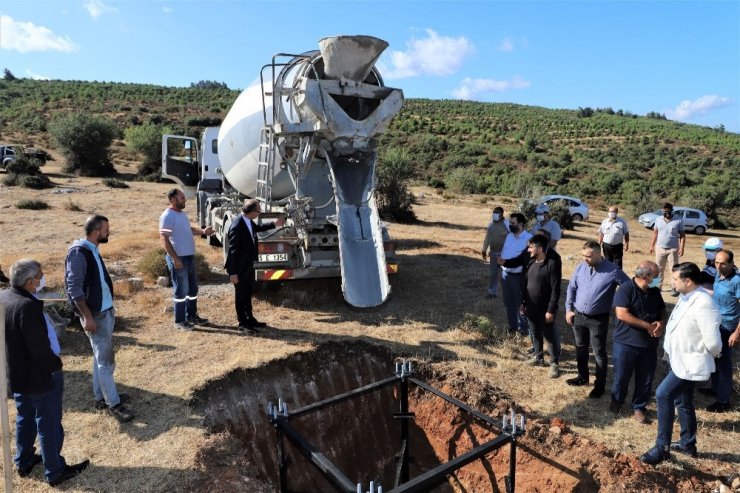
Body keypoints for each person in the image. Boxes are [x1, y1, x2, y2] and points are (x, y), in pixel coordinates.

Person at [1, 259, 90, 485]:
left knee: (25, 418)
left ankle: (24, 460)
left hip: (17, 374)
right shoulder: (27, 307)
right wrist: (55, 366)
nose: (43, 278)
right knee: (48, 422)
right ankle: (55, 470)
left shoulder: (4, 297)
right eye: (40, 275)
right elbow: (38, 348)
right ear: (31, 282)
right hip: (40, 377)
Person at [639, 262, 721, 465]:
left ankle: (662, 448)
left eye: (675, 279)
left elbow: (713, 341)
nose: (672, 282)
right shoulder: (686, 297)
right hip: (678, 359)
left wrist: (708, 354)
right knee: (683, 402)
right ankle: (687, 444)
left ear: (687, 281)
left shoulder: (703, 302)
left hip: (690, 363)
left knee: (663, 394)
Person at [65, 215, 134, 423]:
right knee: (106, 362)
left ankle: (101, 397)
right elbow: (74, 288)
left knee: (99, 358)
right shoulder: (78, 253)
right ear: (96, 232)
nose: (108, 232)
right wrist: (87, 317)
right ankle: (114, 405)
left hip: (104, 312)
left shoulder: (92, 250)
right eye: (106, 229)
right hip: (95, 315)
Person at [565, 240, 630, 398]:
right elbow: (571, 288)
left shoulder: (613, 270)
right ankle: (582, 377)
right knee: (580, 347)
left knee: (599, 352)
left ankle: (599, 386)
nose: (585, 259)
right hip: (579, 316)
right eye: (583, 256)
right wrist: (568, 310)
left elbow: (628, 287)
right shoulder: (580, 267)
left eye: (588, 256)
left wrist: (618, 306)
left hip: (598, 319)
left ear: (598, 254)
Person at [610, 261, 666, 423]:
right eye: (656, 276)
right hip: (626, 343)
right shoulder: (626, 289)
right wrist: (647, 325)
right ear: (646, 276)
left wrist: (661, 322)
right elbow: (622, 314)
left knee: (646, 377)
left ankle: (639, 407)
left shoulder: (654, 291)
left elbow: (662, 310)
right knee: (622, 375)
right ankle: (617, 401)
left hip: (648, 344)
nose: (659, 278)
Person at [225, 199, 284, 333]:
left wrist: (274, 224)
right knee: (241, 295)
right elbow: (232, 252)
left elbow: (256, 229)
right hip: (240, 268)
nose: (259, 213)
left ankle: (250, 319)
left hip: (248, 264)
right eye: (258, 211)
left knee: (247, 292)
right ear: (251, 212)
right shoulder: (237, 225)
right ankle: (242, 323)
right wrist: (232, 273)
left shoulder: (247, 220)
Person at [159, 188, 214, 330]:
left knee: (192, 289)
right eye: (182, 197)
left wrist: (203, 231)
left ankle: (192, 316)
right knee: (181, 290)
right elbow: (164, 239)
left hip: (189, 257)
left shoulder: (181, 214)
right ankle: (179, 321)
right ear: (173, 200)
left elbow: (187, 229)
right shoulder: (167, 216)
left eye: (184, 197)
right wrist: (175, 259)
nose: (185, 199)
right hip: (179, 259)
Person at [520, 234, 562, 378]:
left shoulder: (552, 264)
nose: (528, 250)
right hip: (530, 307)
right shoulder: (531, 262)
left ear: (539, 248)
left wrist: (551, 310)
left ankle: (554, 363)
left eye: (531, 247)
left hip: (545, 310)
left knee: (549, 336)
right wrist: (522, 302)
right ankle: (538, 358)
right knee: (535, 332)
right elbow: (526, 285)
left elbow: (556, 289)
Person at [703, 250, 739, 413]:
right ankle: (715, 387)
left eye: (723, 263)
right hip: (715, 323)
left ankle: (723, 400)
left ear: (732, 263)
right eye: (717, 262)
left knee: (724, 362)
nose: (719, 266)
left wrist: (737, 332)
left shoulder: (737, 281)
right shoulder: (718, 275)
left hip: (728, 326)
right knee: (714, 356)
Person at [497, 212, 532, 335]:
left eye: (513, 223)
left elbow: (522, 260)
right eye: (510, 223)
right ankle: (512, 327)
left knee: (520, 304)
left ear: (521, 224)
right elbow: (505, 252)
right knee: (508, 302)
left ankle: (523, 329)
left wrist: (506, 262)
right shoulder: (509, 236)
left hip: (518, 277)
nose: (510, 225)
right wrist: (501, 261)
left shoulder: (529, 239)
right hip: (505, 275)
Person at [649, 202, 685, 292]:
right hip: (660, 248)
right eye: (664, 211)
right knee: (658, 269)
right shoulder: (658, 220)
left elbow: (683, 235)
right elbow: (655, 233)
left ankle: (674, 288)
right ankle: (656, 288)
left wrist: (682, 248)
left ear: (672, 211)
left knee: (674, 270)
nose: (666, 213)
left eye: (668, 211)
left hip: (673, 249)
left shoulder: (678, 220)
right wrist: (652, 245)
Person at [481, 206, 509, 299]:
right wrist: (484, 250)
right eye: (494, 212)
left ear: (501, 214)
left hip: (505, 254)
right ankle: (492, 292)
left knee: (507, 274)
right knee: (493, 274)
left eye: (496, 212)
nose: (494, 214)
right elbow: (487, 238)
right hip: (493, 253)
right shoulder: (490, 225)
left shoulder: (507, 224)